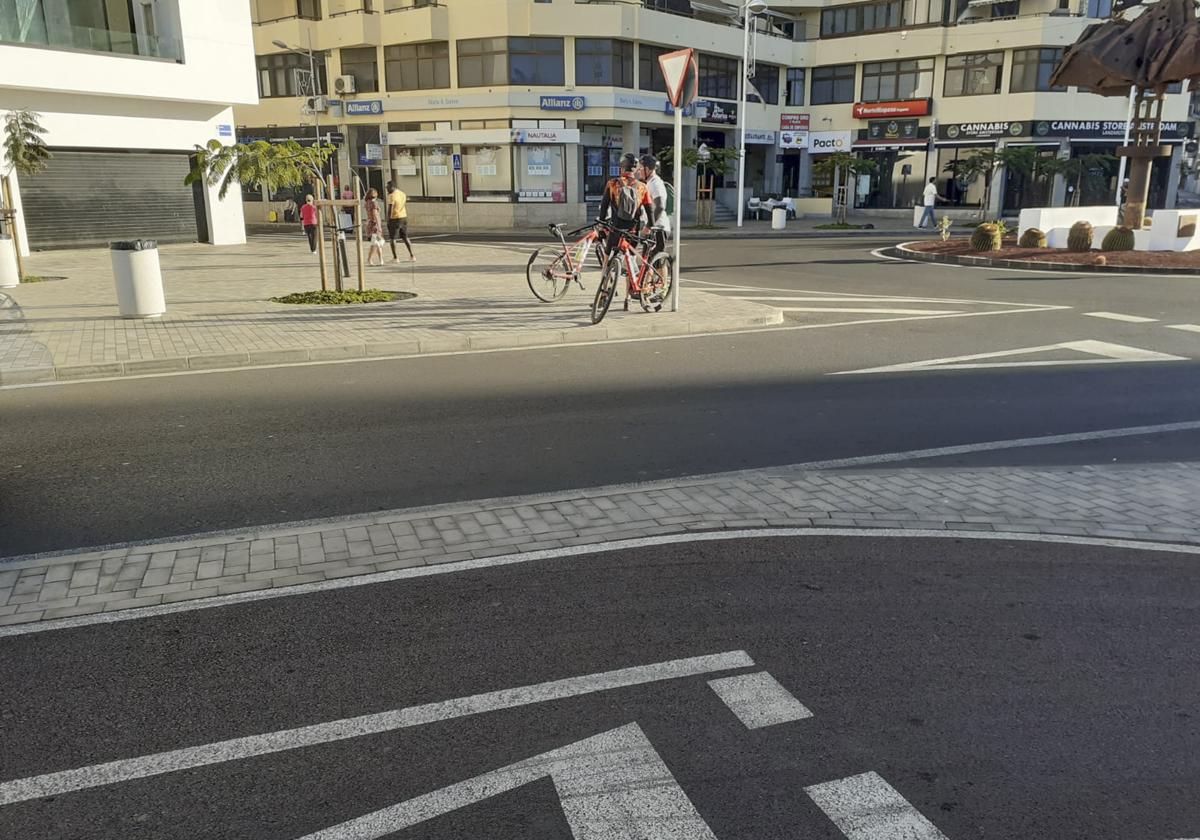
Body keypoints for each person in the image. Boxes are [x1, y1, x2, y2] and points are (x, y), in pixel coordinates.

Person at [597, 153, 656, 261]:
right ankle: (632, 276)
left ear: (622, 167)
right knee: (631, 262)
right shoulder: (642, 187)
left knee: (607, 258)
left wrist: (601, 225)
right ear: (634, 169)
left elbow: (604, 206)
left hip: (616, 229)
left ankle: (605, 274)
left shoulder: (612, 184)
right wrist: (649, 227)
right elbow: (650, 211)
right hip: (633, 230)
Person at [385, 180, 415, 262]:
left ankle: (395, 257)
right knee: (405, 237)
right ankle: (412, 255)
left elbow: (390, 208)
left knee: (392, 238)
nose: (387, 189)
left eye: (388, 187)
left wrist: (388, 219)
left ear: (393, 187)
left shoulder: (392, 196)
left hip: (394, 218)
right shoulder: (402, 194)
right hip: (403, 217)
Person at [364, 188, 384, 266]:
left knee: (377, 242)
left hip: (370, 223)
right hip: (374, 224)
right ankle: (370, 259)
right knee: (376, 243)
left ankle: (381, 259)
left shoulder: (367, 203)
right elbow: (375, 214)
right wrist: (379, 226)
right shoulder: (374, 203)